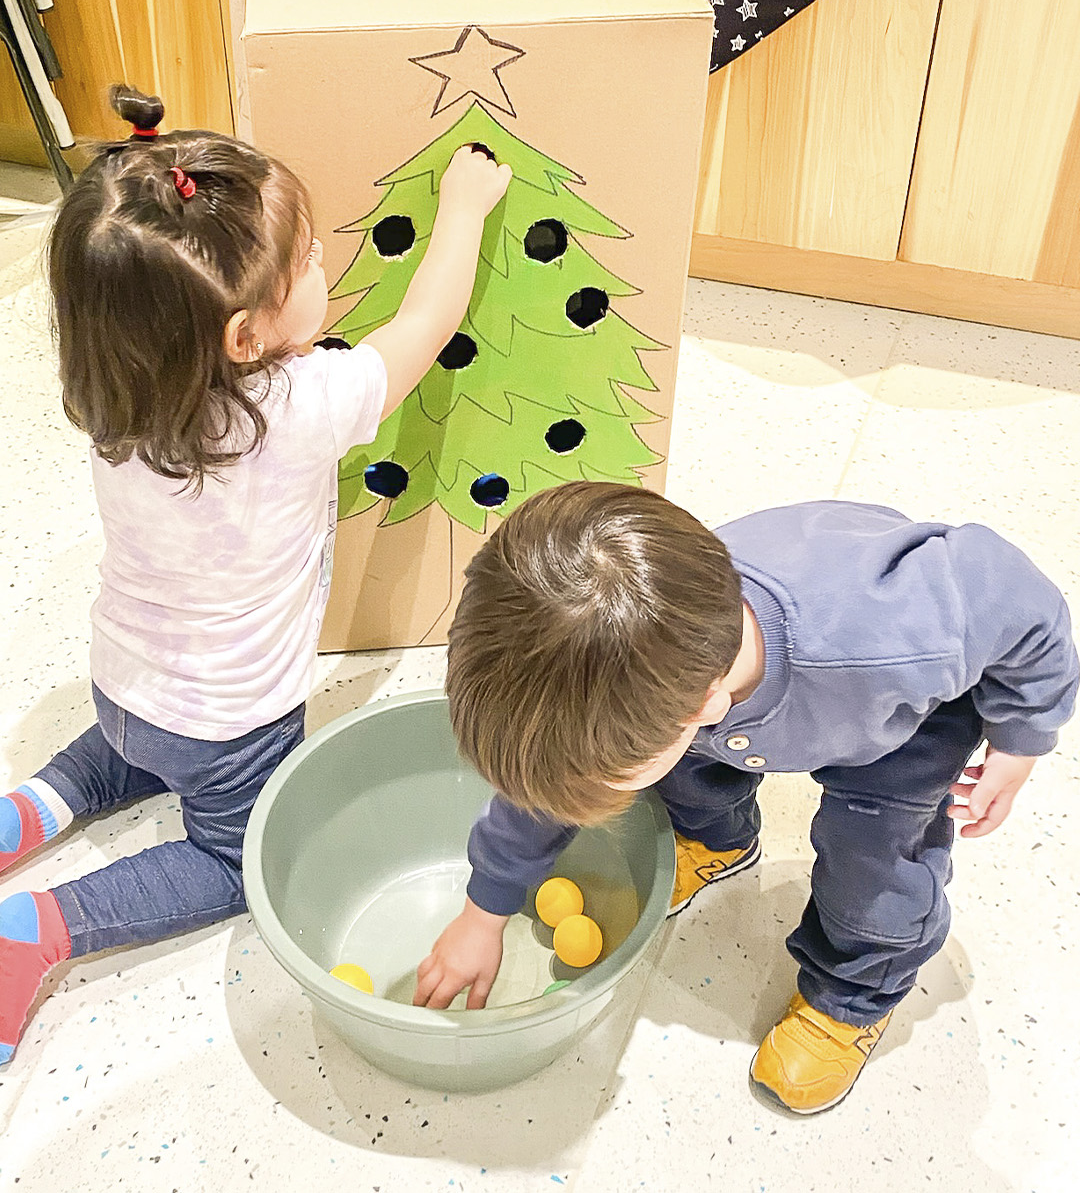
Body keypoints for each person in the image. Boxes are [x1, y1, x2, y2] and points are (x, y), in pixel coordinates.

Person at [0, 85, 511, 1065]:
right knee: (239, 862)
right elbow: (425, 322)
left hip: (122, 684)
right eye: (308, 259)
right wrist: (464, 206)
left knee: (128, 753)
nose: (324, 262)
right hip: (233, 722)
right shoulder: (299, 406)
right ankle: (41, 930)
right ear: (243, 337)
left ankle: (27, 811)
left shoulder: (117, 401)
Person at [413, 481, 1078, 1114]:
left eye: (600, 778)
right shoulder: (659, 662)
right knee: (682, 773)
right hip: (734, 699)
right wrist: (483, 914)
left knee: (871, 862)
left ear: (704, 706)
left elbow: (1019, 606)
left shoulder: (894, 641)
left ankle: (853, 996)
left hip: (901, 722)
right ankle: (718, 842)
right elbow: (545, 787)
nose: (577, 795)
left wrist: (1020, 739)